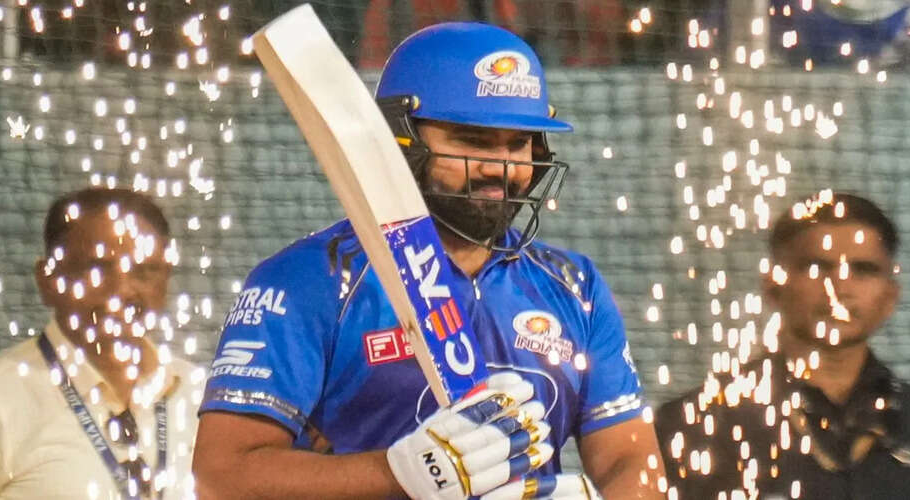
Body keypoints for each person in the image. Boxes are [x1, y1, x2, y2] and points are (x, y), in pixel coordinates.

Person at [194, 21, 664, 499]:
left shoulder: (575, 287)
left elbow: (633, 463)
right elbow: (222, 474)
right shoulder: (310, 280)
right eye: (473, 140)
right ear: (400, 139)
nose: (500, 168)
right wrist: (398, 473)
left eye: (519, 143)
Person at [656, 192, 910, 499]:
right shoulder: (696, 425)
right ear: (773, 286)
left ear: (890, 296)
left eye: (862, 269)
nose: (839, 288)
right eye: (816, 267)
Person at [0, 187, 203, 500]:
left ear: (166, 279)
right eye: (97, 270)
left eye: (144, 271)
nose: (122, 291)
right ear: (48, 280)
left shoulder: (200, 397)